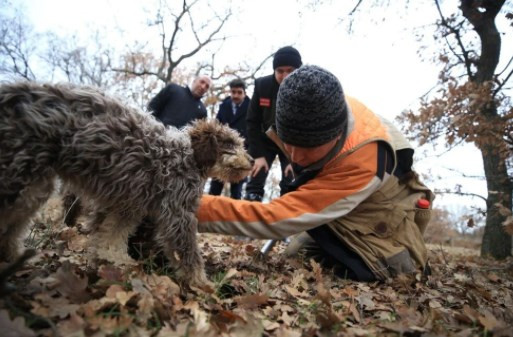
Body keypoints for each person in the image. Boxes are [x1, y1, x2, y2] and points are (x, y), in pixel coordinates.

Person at [196, 65, 434, 282]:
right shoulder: (314, 102)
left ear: (336, 135)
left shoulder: (361, 162)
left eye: (307, 149)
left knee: (383, 266)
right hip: (354, 188)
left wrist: (190, 205)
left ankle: (403, 253)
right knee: (296, 253)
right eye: (288, 143)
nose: (296, 158)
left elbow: (278, 219)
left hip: (382, 208)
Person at [244, 46, 302, 201]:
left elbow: (306, 128)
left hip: (291, 143)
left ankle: (288, 216)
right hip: (264, 140)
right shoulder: (262, 86)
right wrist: (257, 155)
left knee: (292, 180)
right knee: (256, 175)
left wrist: (296, 160)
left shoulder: (305, 89)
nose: (285, 76)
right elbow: (252, 121)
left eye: (290, 70)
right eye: (280, 71)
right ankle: (251, 210)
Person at [209, 78, 251, 199]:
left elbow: (254, 131)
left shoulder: (251, 107)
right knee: (215, 185)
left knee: (236, 190)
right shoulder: (224, 106)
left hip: (242, 152)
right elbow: (217, 125)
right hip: (223, 153)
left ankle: (234, 216)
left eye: (239, 92)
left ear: (244, 93)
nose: (236, 95)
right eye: (233, 92)